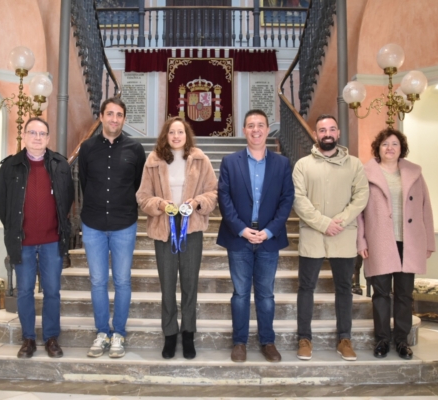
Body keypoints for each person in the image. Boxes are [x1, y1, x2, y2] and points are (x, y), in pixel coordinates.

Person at [136, 116, 217, 359]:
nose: (176, 136)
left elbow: (213, 192)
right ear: (166, 135)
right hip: (164, 227)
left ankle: (188, 332)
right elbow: (142, 196)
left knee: (190, 283)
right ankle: (170, 334)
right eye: (172, 132)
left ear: (186, 134)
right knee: (168, 284)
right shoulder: (153, 161)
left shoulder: (200, 160)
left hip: (190, 227)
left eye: (180, 132)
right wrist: (160, 204)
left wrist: (198, 202)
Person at [0, 117, 74, 359]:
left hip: (51, 241)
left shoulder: (60, 164)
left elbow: (67, 198)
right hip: (23, 242)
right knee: (25, 291)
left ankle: (51, 337)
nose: (37, 137)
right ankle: (28, 338)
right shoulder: (10, 166)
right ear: (25, 137)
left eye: (42, 133)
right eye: (32, 133)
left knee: (52, 291)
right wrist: (14, 228)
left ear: (48, 138)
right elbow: (0, 202)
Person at [217, 109, 294, 363]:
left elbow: (286, 200)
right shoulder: (230, 162)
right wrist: (241, 228)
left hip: (268, 238)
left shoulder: (282, 163)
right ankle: (239, 342)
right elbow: (224, 199)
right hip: (239, 237)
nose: (256, 129)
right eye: (251, 125)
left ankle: (267, 341)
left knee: (265, 294)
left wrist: (269, 231)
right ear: (244, 130)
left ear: (267, 130)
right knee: (240, 293)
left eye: (260, 125)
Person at [293, 114, 369, 361]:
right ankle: (304, 338)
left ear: (338, 133)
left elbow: (361, 196)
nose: (327, 133)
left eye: (332, 129)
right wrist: (324, 223)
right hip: (313, 237)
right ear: (316, 135)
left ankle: (344, 339)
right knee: (306, 288)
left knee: (344, 289)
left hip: (343, 237)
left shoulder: (355, 164)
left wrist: (341, 221)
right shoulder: (302, 165)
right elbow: (298, 199)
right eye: (322, 130)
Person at [357, 128, 435, 360]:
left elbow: (425, 209)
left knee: (404, 294)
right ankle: (382, 340)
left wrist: (428, 242)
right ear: (378, 148)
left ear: (401, 148)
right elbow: (358, 212)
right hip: (379, 242)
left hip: (409, 241)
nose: (389, 148)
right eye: (384, 144)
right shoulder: (366, 173)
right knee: (380, 293)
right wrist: (361, 240)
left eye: (394, 144)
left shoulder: (414, 174)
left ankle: (401, 341)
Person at [79, 97, 146, 358]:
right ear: (101, 116)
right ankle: (101, 333)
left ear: (124, 119)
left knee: (122, 280)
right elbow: (85, 181)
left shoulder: (135, 148)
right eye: (110, 114)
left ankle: (118, 333)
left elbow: (139, 184)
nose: (114, 119)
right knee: (97, 280)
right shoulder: (86, 148)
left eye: (119, 115)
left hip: (123, 224)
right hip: (93, 223)